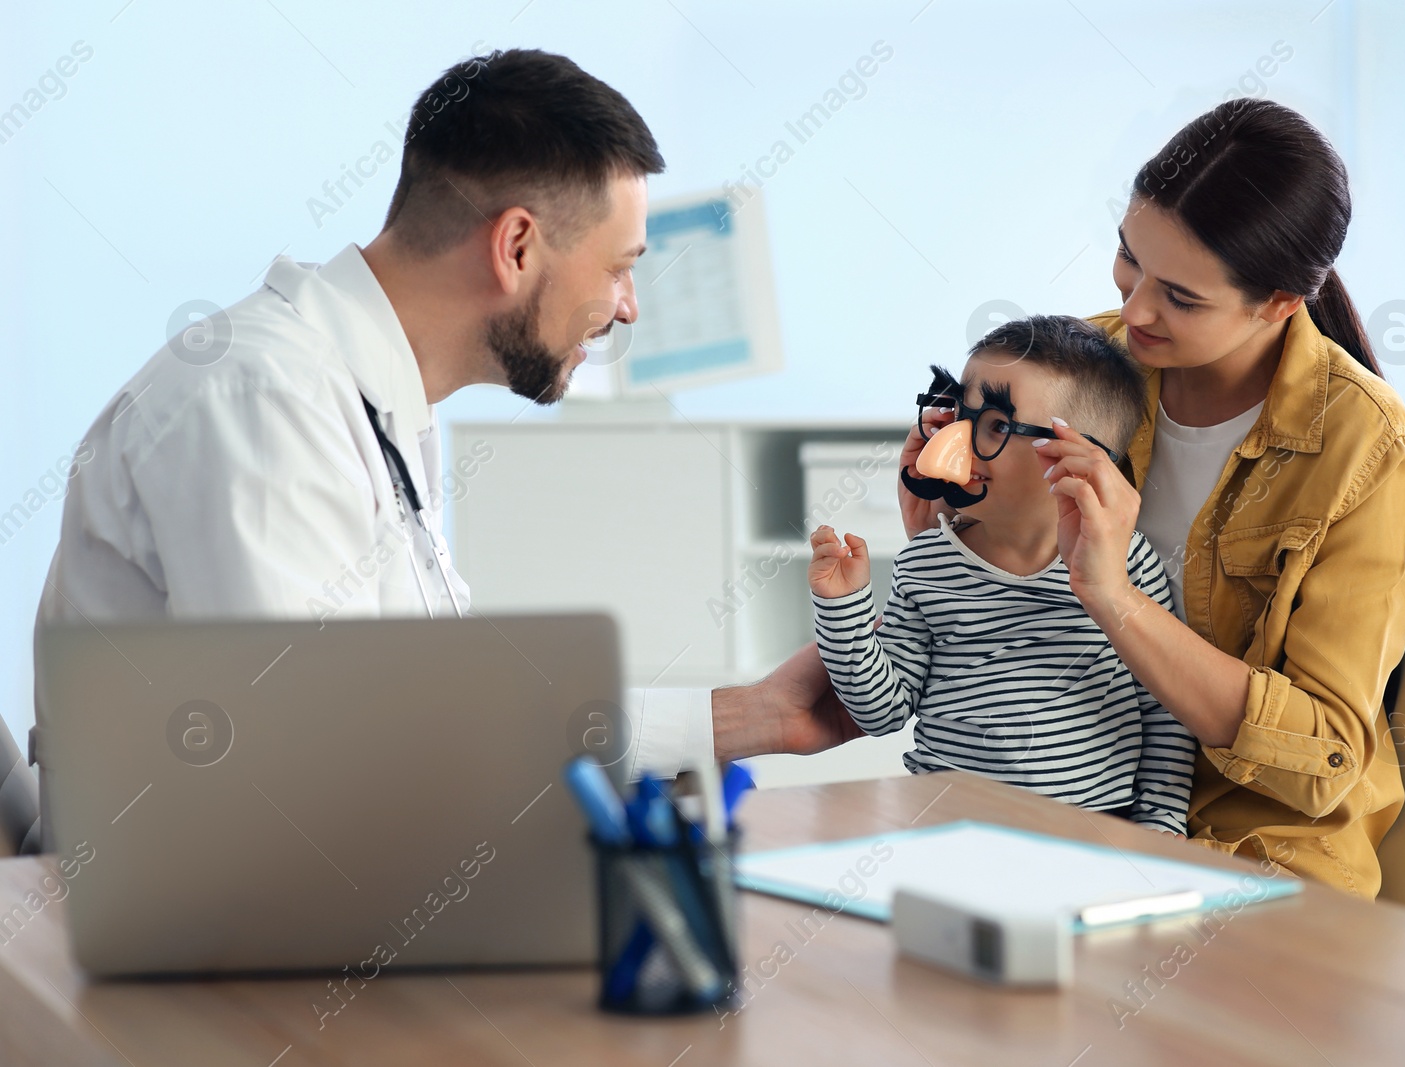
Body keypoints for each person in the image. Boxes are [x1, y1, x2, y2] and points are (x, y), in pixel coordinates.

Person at [28, 49, 855, 850]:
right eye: (619, 269)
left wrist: (749, 716)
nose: (628, 307)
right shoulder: (260, 403)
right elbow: (319, 771)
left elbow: (433, 720)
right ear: (517, 246)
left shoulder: (366, 403)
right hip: (192, 948)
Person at [901, 98, 1405, 898]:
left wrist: (1115, 599)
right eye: (1127, 259)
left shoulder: (1364, 444)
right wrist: (946, 524)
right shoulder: (1088, 366)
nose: (1135, 308)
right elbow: (993, 604)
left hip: (1254, 848)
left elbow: (1327, 756)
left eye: (1180, 297)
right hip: (1069, 813)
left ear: (1279, 301)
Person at [810, 316, 1196, 834]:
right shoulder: (926, 562)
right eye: (957, 417)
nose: (959, 443)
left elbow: (1166, 708)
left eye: (995, 425)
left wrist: (1161, 829)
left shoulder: (1127, 564)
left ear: (1078, 461)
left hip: (1092, 837)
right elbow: (882, 713)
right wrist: (844, 609)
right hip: (944, 829)